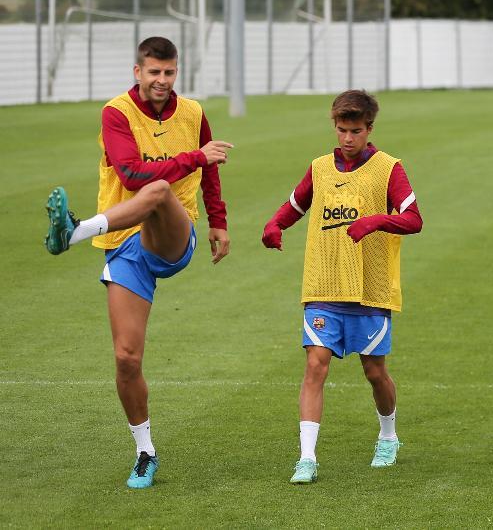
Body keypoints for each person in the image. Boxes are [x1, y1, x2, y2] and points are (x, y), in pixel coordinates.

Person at [43, 36, 231, 489]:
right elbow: (129, 174)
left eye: (169, 73)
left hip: (172, 233)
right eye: (154, 72)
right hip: (125, 246)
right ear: (137, 71)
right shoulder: (116, 113)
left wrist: (218, 222)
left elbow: (209, 168)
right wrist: (192, 158)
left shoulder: (193, 113)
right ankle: (145, 450)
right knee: (126, 358)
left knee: (161, 193)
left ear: (175, 72)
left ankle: (77, 230)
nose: (162, 81)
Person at [261, 89, 422, 485]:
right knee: (315, 365)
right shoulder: (319, 167)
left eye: (356, 131)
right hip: (323, 283)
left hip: (370, 289)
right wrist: (275, 224)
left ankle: (388, 435)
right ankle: (307, 458)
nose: (348, 138)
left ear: (369, 129)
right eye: (341, 130)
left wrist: (376, 220)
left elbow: (414, 219)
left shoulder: (388, 169)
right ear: (334, 126)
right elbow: (297, 203)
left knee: (374, 372)